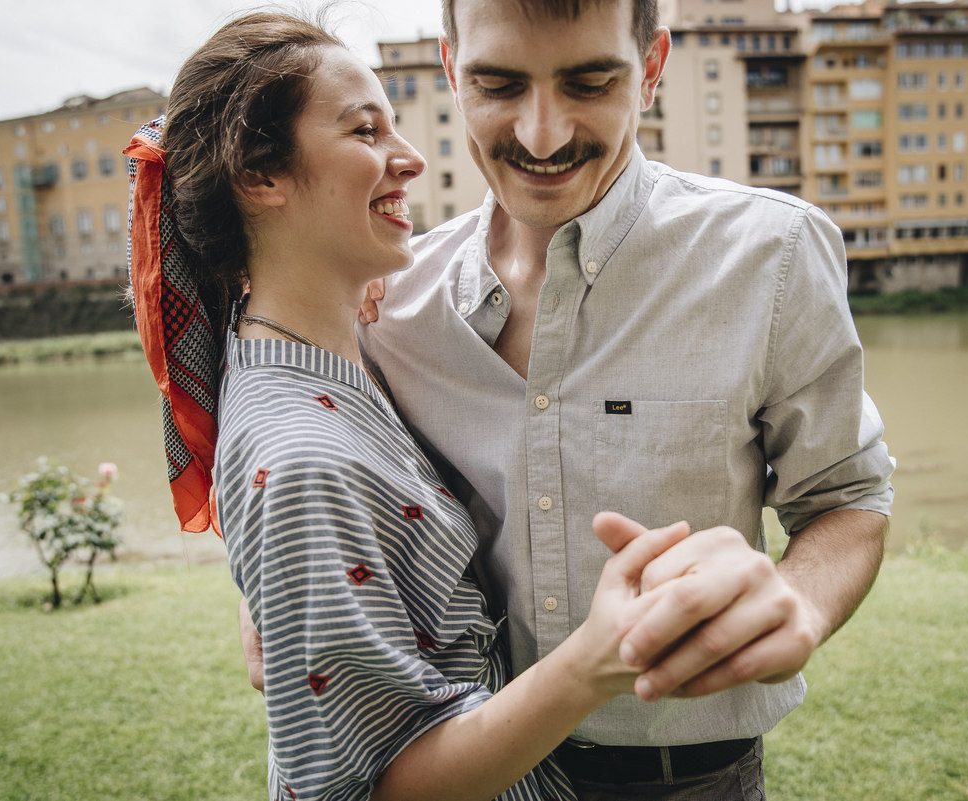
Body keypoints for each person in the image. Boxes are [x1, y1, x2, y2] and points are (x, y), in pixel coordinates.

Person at [126, 11, 706, 801]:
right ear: (261, 176)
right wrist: (597, 656)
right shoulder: (301, 458)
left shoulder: (326, 352)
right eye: (366, 133)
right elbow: (382, 786)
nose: (411, 160)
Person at [343, 0, 895, 797]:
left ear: (653, 69)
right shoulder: (387, 301)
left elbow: (848, 497)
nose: (542, 135)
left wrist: (800, 606)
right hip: (463, 769)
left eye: (590, 82)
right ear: (449, 72)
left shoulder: (774, 255)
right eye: (497, 84)